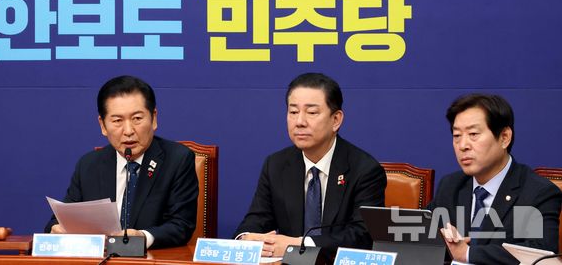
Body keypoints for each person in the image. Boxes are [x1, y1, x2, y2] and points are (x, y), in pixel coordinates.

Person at [235, 72, 386, 259]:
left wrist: (301, 245)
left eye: (312, 112)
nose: (300, 122)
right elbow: (257, 219)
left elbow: (362, 236)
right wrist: (246, 239)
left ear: (336, 120)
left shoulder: (364, 169)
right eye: (293, 112)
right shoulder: (276, 164)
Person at [45, 75, 198, 249]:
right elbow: (60, 219)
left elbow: (181, 225)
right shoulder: (89, 165)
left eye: (137, 118)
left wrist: (142, 237)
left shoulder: (177, 159)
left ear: (154, 118)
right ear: (103, 125)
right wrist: (56, 229)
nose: (128, 131)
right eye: (117, 120)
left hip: (151, 258)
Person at [428, 94, 561, 264]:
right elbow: (421, 231)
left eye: (473, 134)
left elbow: (541, 253)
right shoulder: (451, 185)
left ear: (504, 137)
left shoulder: (538, 193)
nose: (463, 145)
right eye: (457, 135)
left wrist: (467, 253)